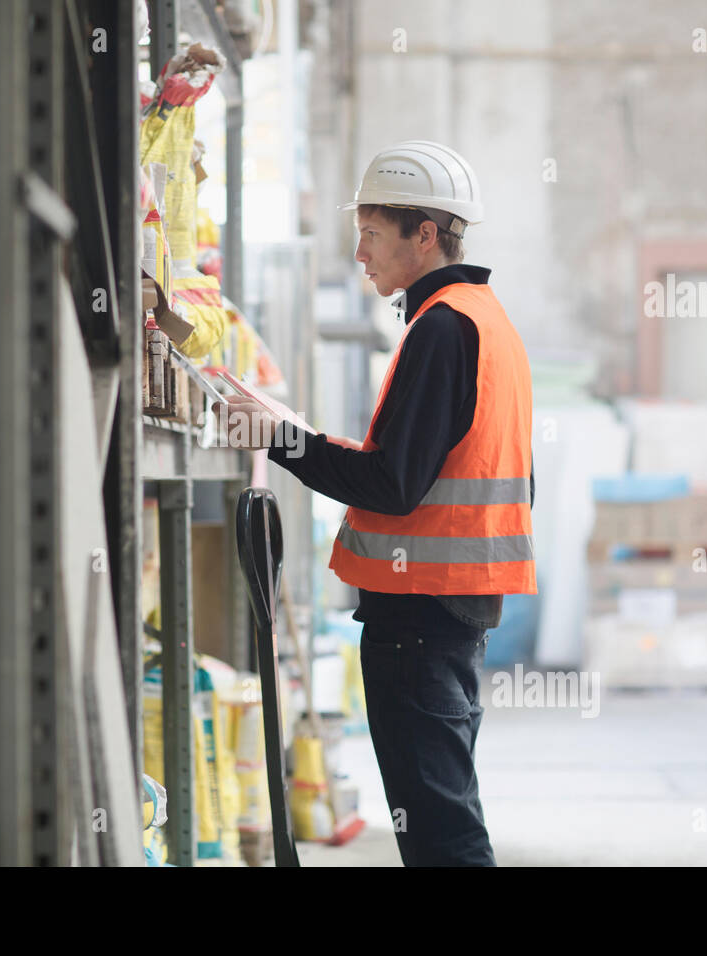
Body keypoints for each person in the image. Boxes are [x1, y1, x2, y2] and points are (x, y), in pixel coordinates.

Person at [218, 140, 536, 866]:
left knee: (437, 827)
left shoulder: (442, 329)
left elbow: (394, 484)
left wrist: (283, 442)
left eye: (370, 231)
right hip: (446, 608)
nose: (358, 251)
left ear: (425, 234)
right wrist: (291, 433)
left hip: (421, 614)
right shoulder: (483, 319)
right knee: (439, 812)